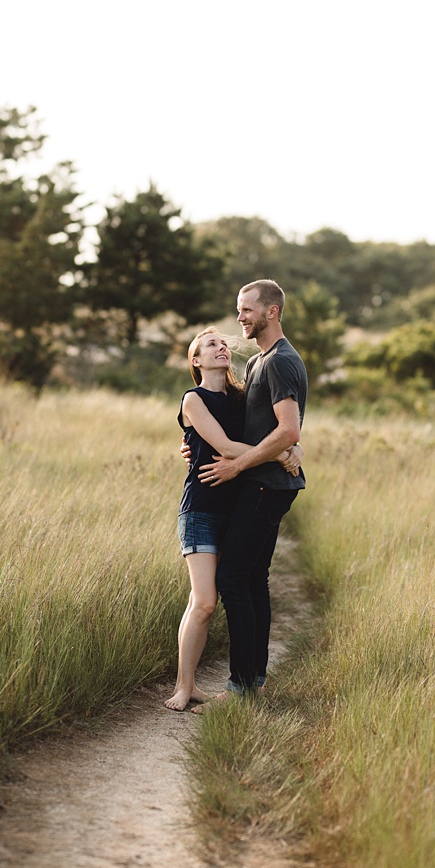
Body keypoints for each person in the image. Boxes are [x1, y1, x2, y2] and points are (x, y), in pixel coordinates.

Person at [166, 328, 301, 712]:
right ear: (196, 361)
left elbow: (273, 431)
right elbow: (226, 447)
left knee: (221, 591)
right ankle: (184, 686)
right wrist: (280, 454)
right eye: (211, 345)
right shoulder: (193, 399)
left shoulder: (241, 397)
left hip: (236, 507)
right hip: (201, 510)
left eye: (224, 344)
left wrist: (293, 445)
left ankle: (240, 682)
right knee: (205, 601)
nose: (222, 348)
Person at [194, 279, 309, 704]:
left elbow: (289, 429)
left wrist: (238, 464)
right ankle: (255, 679)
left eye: (247, 310)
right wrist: (196, 443)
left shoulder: (279, 361)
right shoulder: (259, 360)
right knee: (253, 579)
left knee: (233, 578)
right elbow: (251, 425)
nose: (239, 318)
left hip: (266, 485)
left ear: (271, 312)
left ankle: (241, 686)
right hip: (265, 480)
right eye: (239, 310)